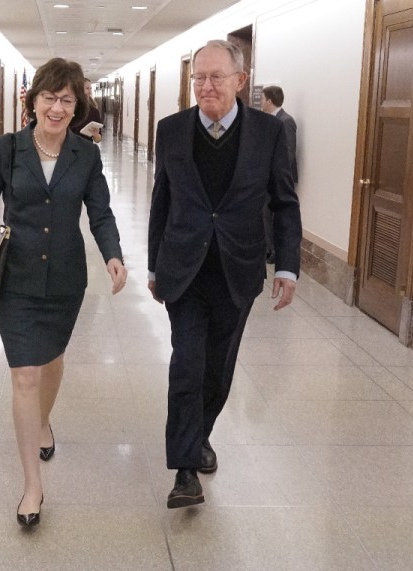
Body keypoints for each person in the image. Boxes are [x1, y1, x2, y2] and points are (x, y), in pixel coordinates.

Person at [0, 57, 127, 527]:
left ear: (77, 107)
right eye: (48, 97)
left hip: (67, 279)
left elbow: (101, 213)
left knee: (51, 361)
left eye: (66, 99)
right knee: (25, 375)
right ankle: (32, 485)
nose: (56, 107)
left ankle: (44, 421)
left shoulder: (85, 154)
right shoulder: (7, 149)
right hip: (16, 278)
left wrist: (113, 253)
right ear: (32, 102)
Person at [147, 40, 301, 509]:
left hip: (238, 270)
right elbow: (162, 199)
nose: (206, 86)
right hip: (184, 270)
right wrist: (154, 263)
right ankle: (185, 469)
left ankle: (200, 435)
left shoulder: (268, 133)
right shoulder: (171, 129)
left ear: (240, 79)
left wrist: (288, 266)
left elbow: (284, 202)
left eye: (216, 77)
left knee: (219, 368)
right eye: (198, 78)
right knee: (187, 365)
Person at [261, 85, 298, 264]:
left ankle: (274, 251)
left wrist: (275, 175)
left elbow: (289, 152)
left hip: (279, 179)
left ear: (269, 101)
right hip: (268, 178)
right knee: (265, 213)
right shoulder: (269, 120)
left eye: (262, 99)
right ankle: (268, 248)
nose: (260, 102)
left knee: (276, 216)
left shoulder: (286, 121)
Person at [70, 78, 103, 143]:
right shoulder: (70, 109)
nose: (90, 92)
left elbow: (98, 140)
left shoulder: (94, 112)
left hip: (87, 148)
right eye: (87, 88)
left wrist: (95, 135)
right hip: (70, 147)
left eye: (90, 88)